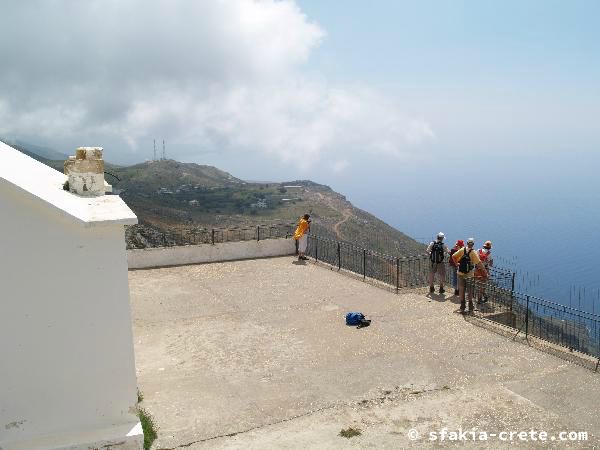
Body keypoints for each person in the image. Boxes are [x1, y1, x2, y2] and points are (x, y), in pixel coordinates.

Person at [452, 237, 487, 313]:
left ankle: (462, 306)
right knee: (470, 290)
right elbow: (479, 263)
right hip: (469, 274)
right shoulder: (473, 252)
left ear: (467, 243)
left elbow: (453, 256)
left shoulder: (462, 250)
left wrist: (457, 264)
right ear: (473, 244)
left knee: (461, 289)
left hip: (460, 273)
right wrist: (485, 271)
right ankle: (470, 307)